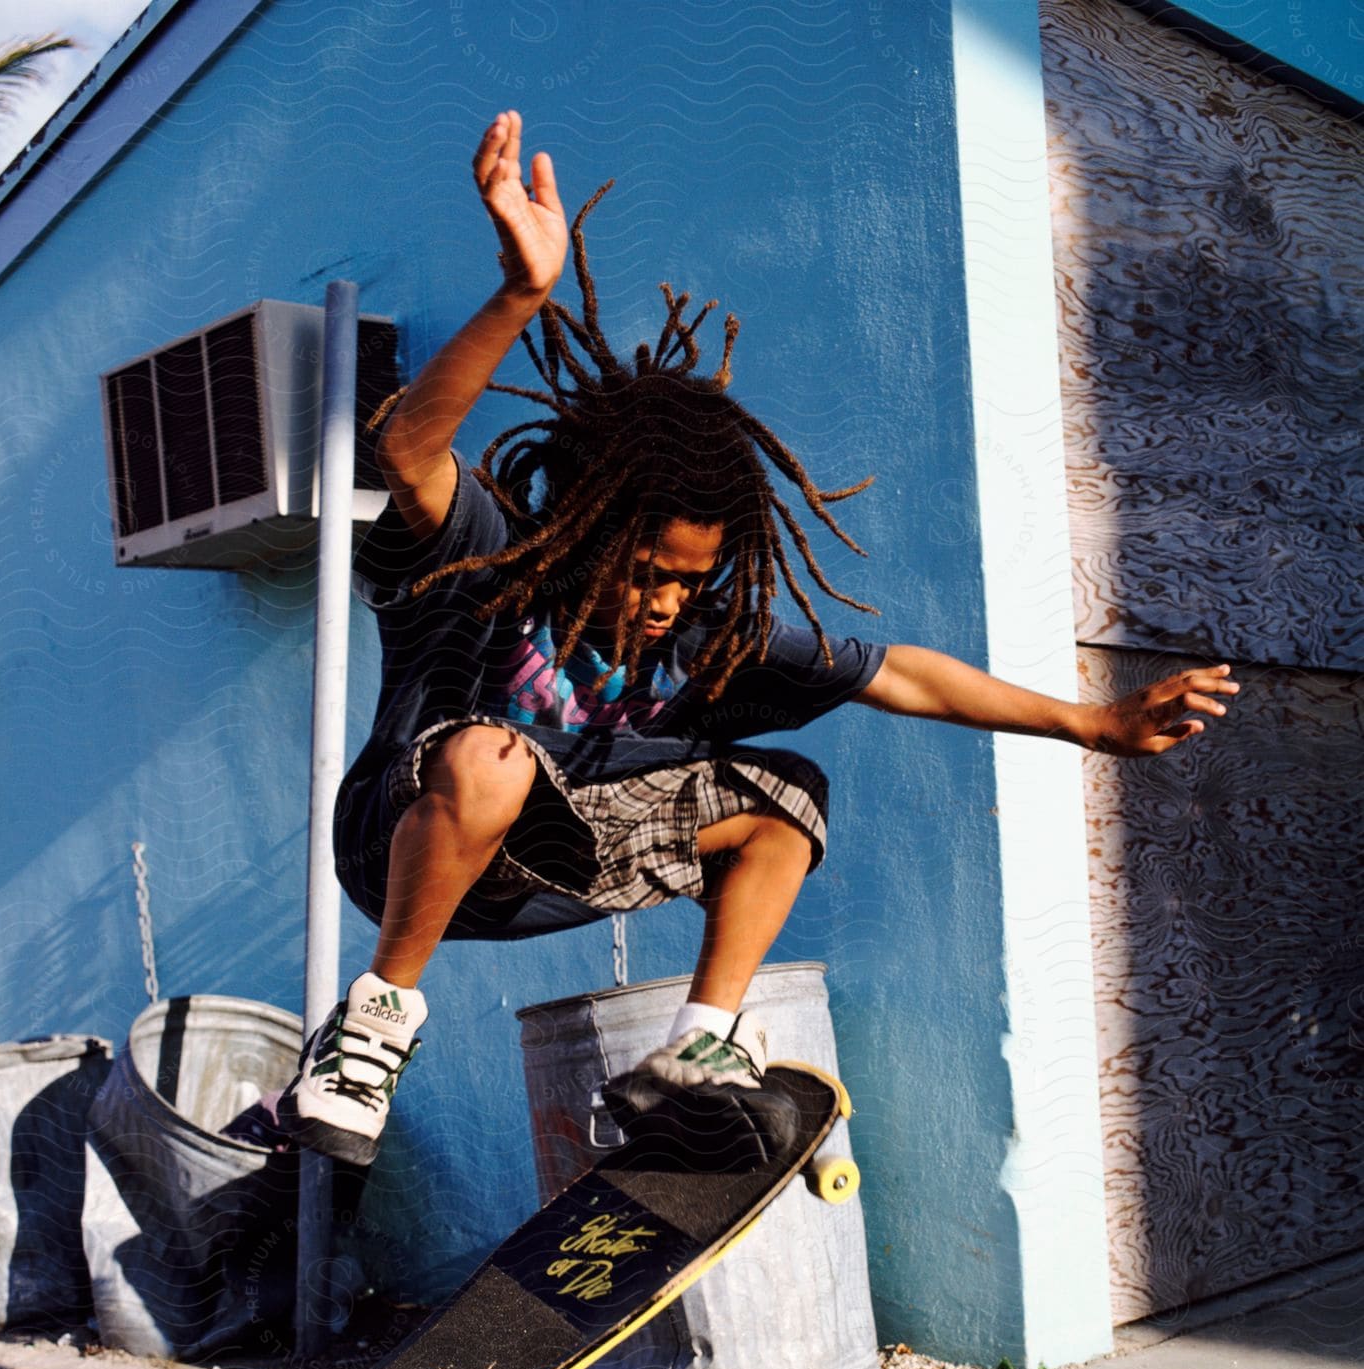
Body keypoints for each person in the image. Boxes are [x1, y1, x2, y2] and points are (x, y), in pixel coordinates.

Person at [277, 110, 1239, 1167]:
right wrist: (519, 293)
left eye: (688, 584)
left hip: (547, 871)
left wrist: (1088, 725)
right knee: (492, 755)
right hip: (399, 844)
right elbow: (408, 449)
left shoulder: (700, 634)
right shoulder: (490, 553)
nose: (663, 606)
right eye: (644, 576)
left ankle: (695, 1053)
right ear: (586, 530)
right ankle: (369, 1028)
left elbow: (897, 673)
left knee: (784, 798)